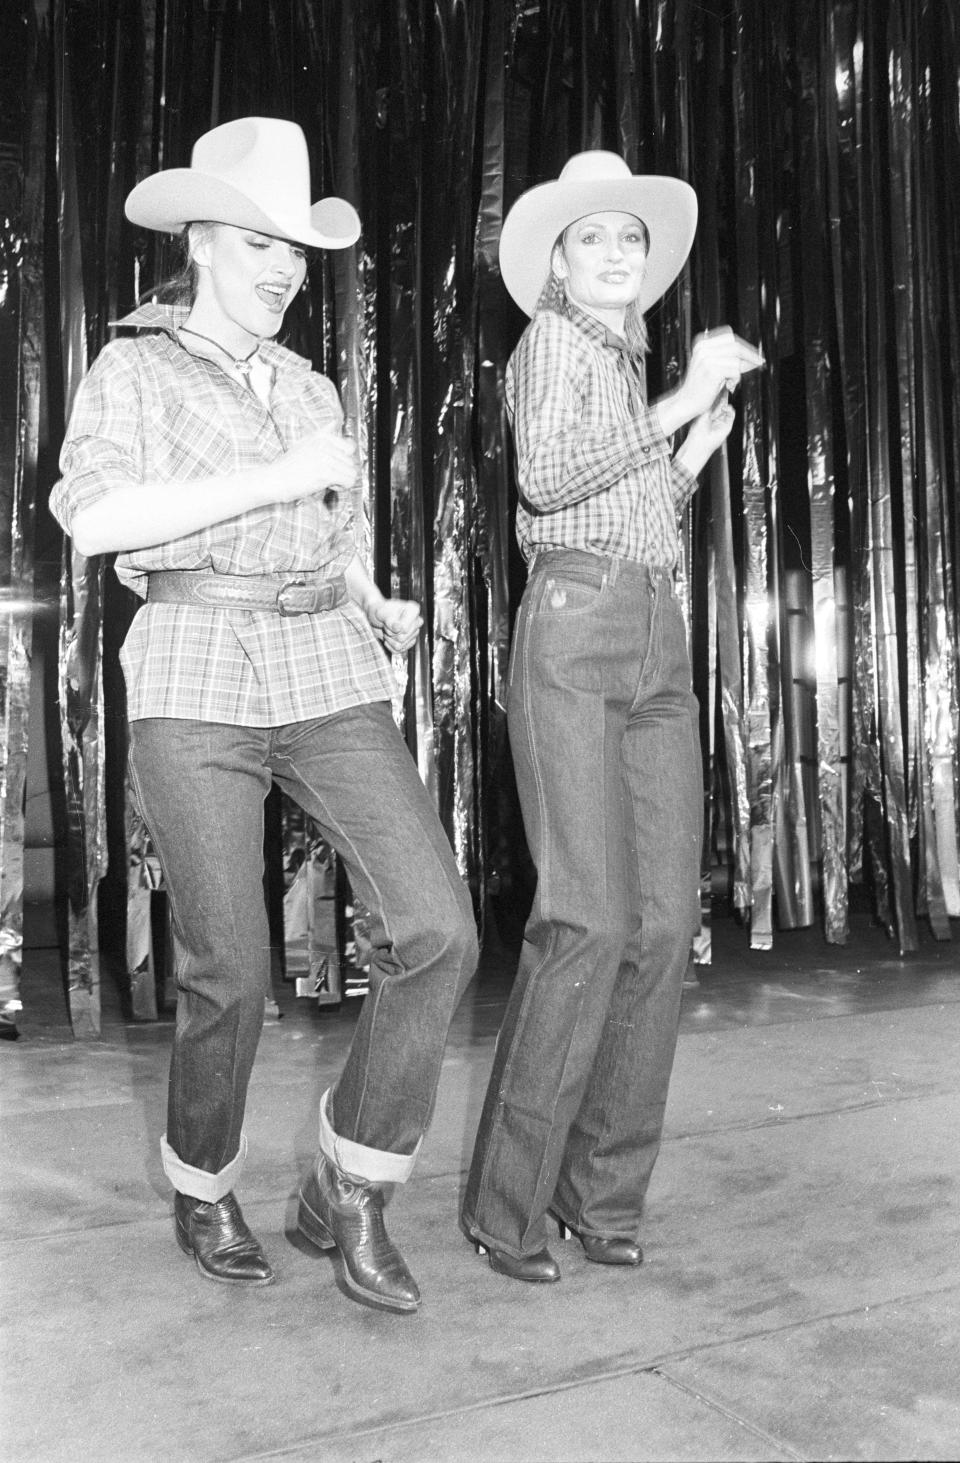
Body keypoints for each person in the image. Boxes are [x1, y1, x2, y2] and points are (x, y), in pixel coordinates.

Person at [50, 117, 478, 1314]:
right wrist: (279, 479)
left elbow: (326, 531)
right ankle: (203, 1181)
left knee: (438, 927)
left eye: (297, 248)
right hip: (193, 663)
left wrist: (377, 596)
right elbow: (93, 522)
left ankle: (351, 1179)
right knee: (231, 969)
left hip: (323, 662)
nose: (286, 266)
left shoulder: (306, 382)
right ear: (199, 242)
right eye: (258, 242)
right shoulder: (128, 367)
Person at [461, 150, 762, 1282]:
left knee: (655, 926)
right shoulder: (550, 346)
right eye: (593, 237)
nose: (617, 250)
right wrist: (680, 401)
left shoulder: (621, 371)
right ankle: (508, 1207)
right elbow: (548, 478)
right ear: (555, 263)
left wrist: (685, 452)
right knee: (586, 915)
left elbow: (625, 502)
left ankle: (603, 1194)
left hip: (654, 633)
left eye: (630, 237)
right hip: (577, 630)